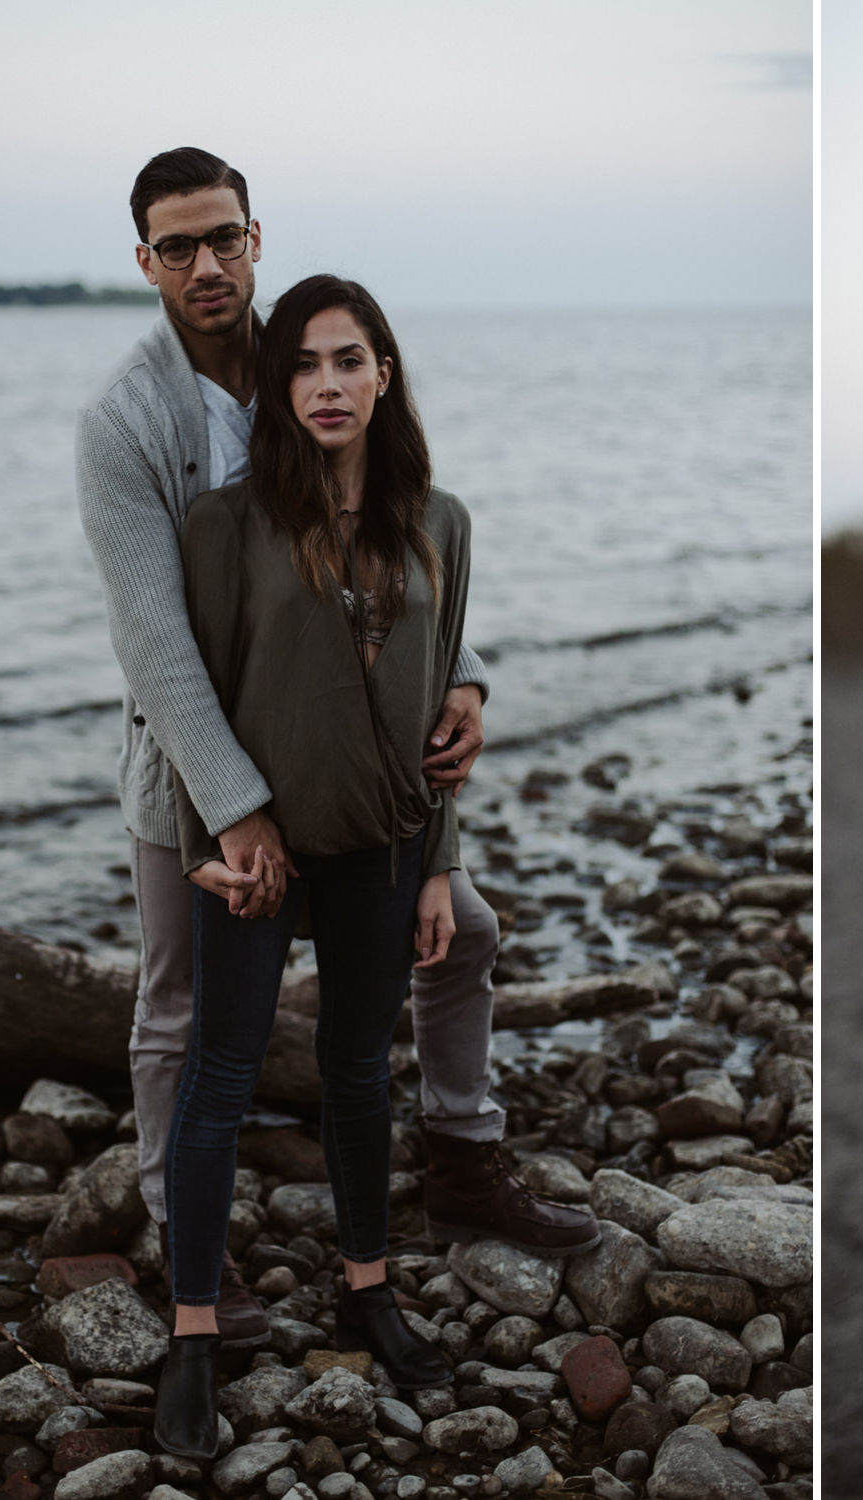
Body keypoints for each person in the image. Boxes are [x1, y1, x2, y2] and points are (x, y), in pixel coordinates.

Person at [76, 148, 598, 1341]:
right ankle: (180, 1232)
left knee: (459, 929)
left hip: (357, 767)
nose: (205, 265)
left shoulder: (312, 351)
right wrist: (237, 809)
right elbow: (156, 649)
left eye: (224, 238)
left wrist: (460, 678)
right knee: (179, 1004)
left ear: (256, 236)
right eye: (177, 247)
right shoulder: (126, 424)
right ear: (144, 262)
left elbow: (407, 556)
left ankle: (462, 1157)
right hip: (192, 766)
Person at [150, 274, 499, 1455]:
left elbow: (442, 720)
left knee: (358, 1071)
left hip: (386, 851)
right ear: (277, 387)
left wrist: (440, 865)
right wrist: (211, 849)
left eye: (347, 361)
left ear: (382, 374)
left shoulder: (439, 521)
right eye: (301, 364)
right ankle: (193, 1332)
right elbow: (189, 700)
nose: (326, 385)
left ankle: (368, 1287)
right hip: (261, 857)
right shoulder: (225, 527)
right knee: (221, 1077)